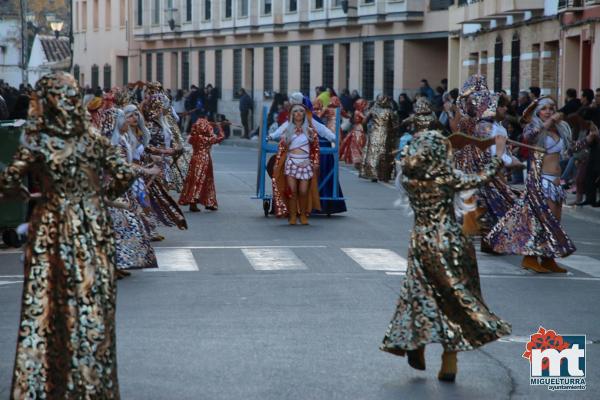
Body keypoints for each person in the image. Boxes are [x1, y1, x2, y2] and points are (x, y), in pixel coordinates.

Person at [0, 72, 159, 399]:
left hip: (52, 223)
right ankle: (92, 384)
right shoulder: (92, 138)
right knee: (92, 302)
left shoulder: (39, 139)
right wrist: (100, 195)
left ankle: (47, 383)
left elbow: (9, 179)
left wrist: (22, 194)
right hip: (92, 224)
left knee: (47, 303)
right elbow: (123, 174)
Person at [380, 130, 512, 382]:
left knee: (418, 295)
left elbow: (405, 166)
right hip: (451, 241)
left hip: (421, 242)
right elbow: (481, 177)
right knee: (453, 298)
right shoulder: (446, 178)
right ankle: (449, 361)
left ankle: (416, 343)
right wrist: (499, 153)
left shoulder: (409, 179)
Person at [487, 97, 576, 272]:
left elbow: (571, 149)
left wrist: (590, 139)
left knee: (555, 223)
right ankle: (530, 258)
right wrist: (548, 122)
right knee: (543, 221)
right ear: (538, 112)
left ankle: (548, 259)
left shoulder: (560, 129)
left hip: (556, 183)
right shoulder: (533, 128)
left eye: (552, 108)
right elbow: (528, 137)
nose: (549, 112)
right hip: (541, 181)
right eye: (545, 109)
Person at [269, 98, 335, 224]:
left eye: (301, 111)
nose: (298, 113)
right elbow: (281, 149)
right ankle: (293, 216)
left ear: (305, 114)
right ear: (292, 115)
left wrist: (315, 162)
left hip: (305, 164)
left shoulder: (311, 131)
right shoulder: (287, 131)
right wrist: (277, 163)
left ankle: (304, 214)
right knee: (292, 190)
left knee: (304, 190)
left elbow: (315, 149)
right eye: (295, 111)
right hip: (291, 162)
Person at [360, 94, 400, 182]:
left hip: (374, 133)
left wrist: (366, 130)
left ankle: (372, 174)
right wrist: (394, 134)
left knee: (373, 154)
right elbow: (395, 125)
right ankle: (384, 175)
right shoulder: (390, 111)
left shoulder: (373, 109)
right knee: (384, 154)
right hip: (386, 135)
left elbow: (364, 121)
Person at [340, 98, 368, 168]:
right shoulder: (358, 112)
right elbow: (365, 119)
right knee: (358, 145)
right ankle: (358, 162)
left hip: (357, 129)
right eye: (363, 105)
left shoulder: (356, 112)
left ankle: (358, 162)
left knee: (358, 145)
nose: (365, 106)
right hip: (358, 129)